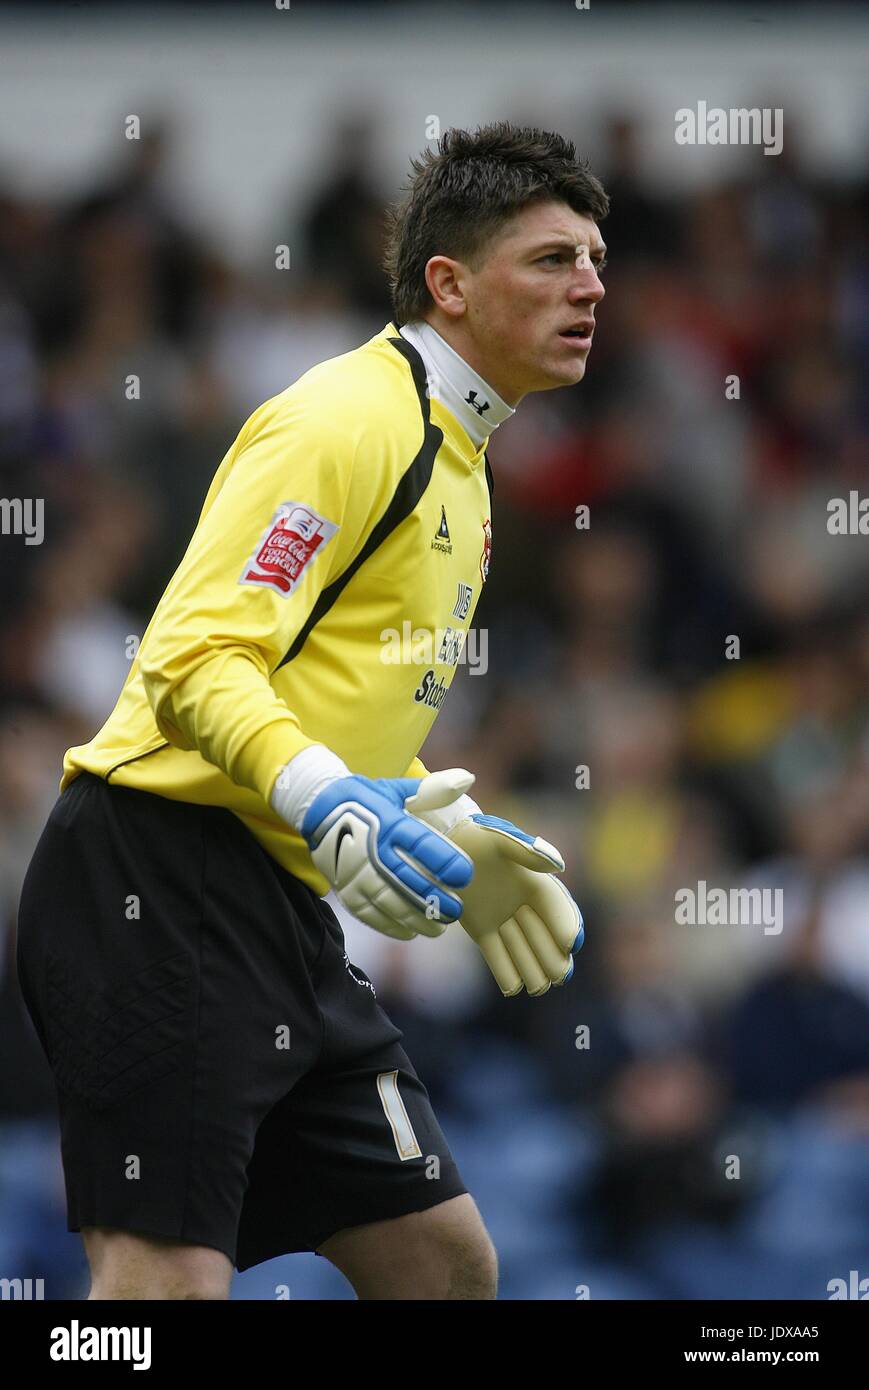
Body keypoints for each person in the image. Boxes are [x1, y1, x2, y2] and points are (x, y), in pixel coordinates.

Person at [16, 121, 608, 1301]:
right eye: (549, 258)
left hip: (279, 910)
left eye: (594, 257)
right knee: (162, 1285)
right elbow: (191, 661)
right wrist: (318, 792)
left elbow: (325, 697)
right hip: (157, 881)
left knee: (442, 1268)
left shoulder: (464, 471)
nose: (589, 283)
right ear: (448, 283)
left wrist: (449, 833)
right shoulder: (347, 419)